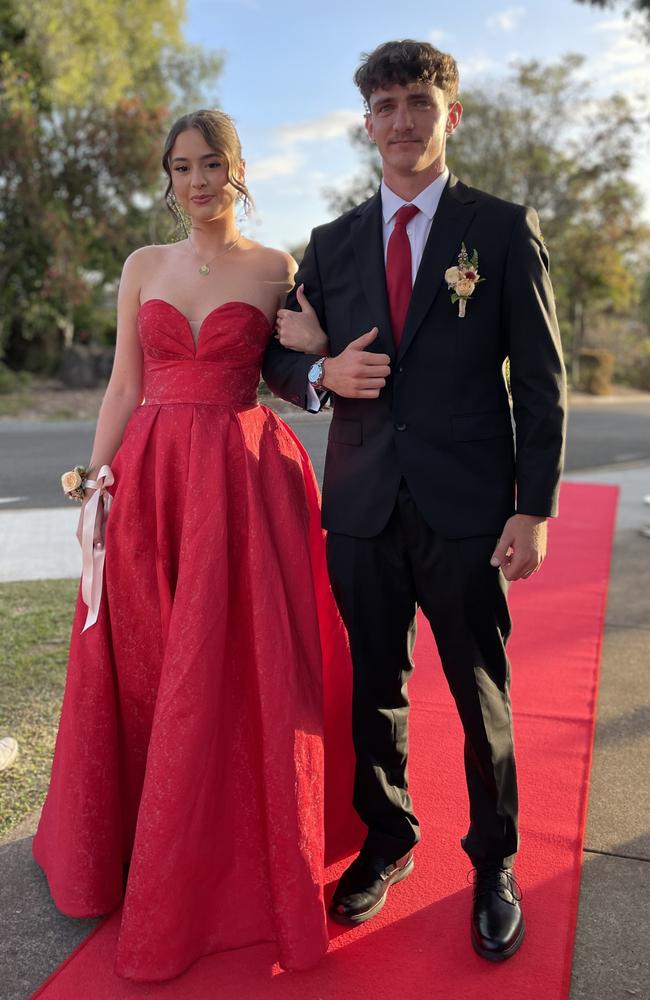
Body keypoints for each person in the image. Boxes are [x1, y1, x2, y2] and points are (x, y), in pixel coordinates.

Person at [33, 109, 358, 982]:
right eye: (181, 167)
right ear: (167, 179)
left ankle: (236, 851)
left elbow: (293, 373)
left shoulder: (275, 266)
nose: (198, 181)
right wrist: (93, 484)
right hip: (150, 481)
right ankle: (140, 840)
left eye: (212, 164)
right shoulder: (143, 267)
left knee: (239, 666)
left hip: (245, 479)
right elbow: (121, 385)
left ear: (238, 169)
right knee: (148, 661)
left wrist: (320, 350)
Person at [263, 39, 567, 962]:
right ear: (366, 125)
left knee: (482, 698)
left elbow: (543, 384)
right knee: (374, 691)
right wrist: (321, 372)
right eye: (386, 105)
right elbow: (274, 352)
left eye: (420, 104)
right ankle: (390, 838)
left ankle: (496, 861)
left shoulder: (502, 229)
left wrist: (535, 507)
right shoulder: (332, 242)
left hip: (470, 510)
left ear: (452, 115)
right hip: (360, 504)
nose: (403, 121)